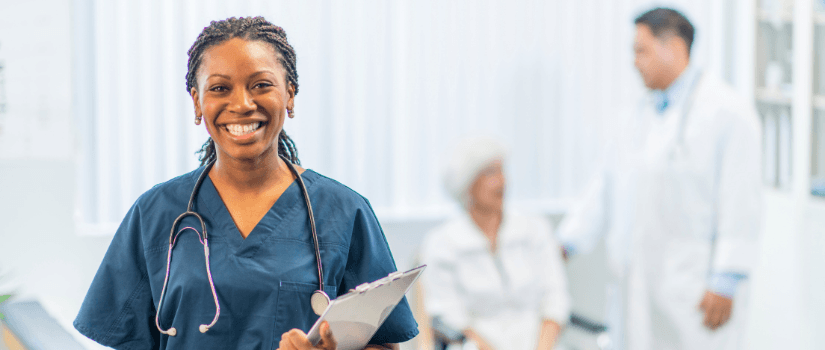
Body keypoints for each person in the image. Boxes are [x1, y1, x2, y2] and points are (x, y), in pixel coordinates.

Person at [73, 17, 418, 350]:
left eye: (261, 85)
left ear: (290, 95)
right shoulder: (154, 213)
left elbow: (384, 342)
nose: (242, 104)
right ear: (197, 101)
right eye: (220, 88)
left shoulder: (344, 211)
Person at [557, 8, 762, 350]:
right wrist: (564, 245)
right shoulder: (635, 116)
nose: (634, 62)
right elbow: (602, 190)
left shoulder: (727, 113)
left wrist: (725, 280)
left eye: (642, 51)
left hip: (693, 288)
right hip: (635, 284)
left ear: (675, 48)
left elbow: (741, 201)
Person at [420, 137, 571, 350]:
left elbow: (555, 300)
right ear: (467, 184)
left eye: (502, 171)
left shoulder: (535, 230)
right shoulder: (442, 243)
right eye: (490, 173)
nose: (502, 181)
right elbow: (450, 317)